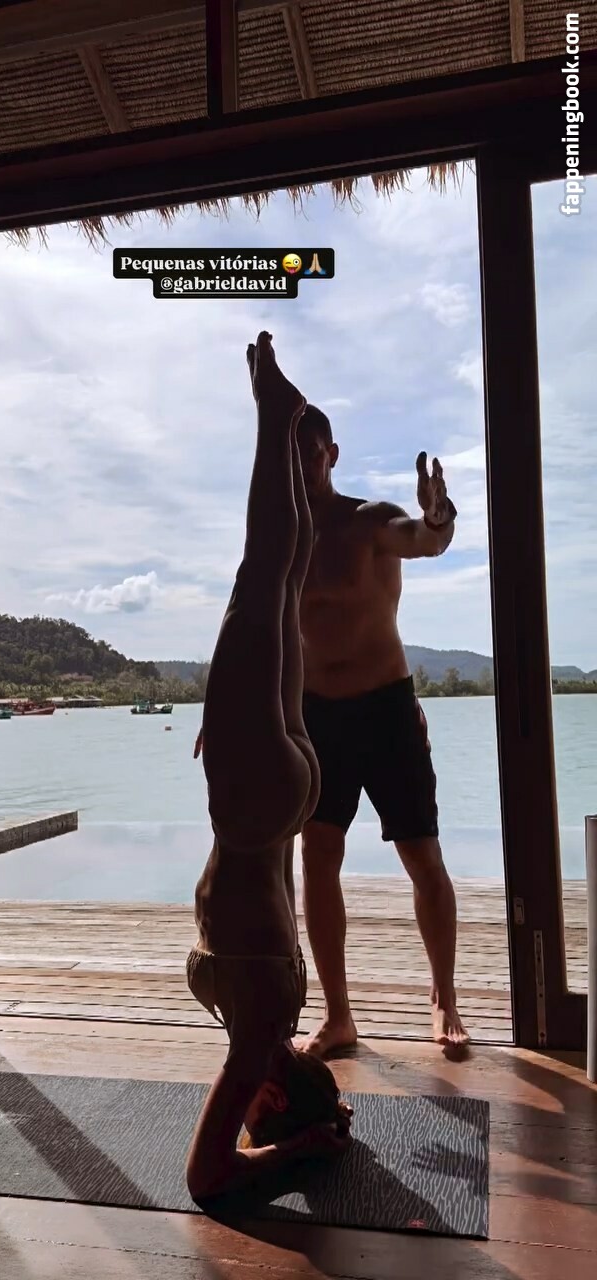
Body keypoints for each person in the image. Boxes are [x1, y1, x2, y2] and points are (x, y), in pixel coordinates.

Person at [185, 333, 352, 1202]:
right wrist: (301, 1152)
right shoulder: (260, 1036)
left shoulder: (274, 1020)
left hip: (277, 795)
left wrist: (307, 1129)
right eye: (256, 1114)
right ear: (273, 1095)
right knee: (266, 579)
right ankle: (274, 421)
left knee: (276, 583)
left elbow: (217, 1168)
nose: (240, 1108)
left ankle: (280, 429)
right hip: (257, 812)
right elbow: (209, 1182)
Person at [295, 403, 468, 1056]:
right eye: (291, 455)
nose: (302, 466)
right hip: (318, 716)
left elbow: (424, 540)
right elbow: (256, 628)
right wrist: (228, 708)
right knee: (318, 858)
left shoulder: (367, 521)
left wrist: (438, 515)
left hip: (386, 710)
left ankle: (444, 997)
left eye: (312, 453)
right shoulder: (282, 538)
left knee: (422, 857)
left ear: (332, 455)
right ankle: (338, 1016)